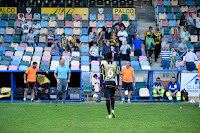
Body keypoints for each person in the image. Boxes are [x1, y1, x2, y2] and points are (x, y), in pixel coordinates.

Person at [100, 52, 119, 119]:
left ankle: (109, 114)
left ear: (106, 57)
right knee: (112, 96)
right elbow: (118, 74)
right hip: (113, 82)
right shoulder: (115, 64)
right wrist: (118, 84)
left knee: (107, 98)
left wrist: (101, 85)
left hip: (107, 82)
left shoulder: (103, 64)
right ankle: (113, 109)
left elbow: (101, 75)